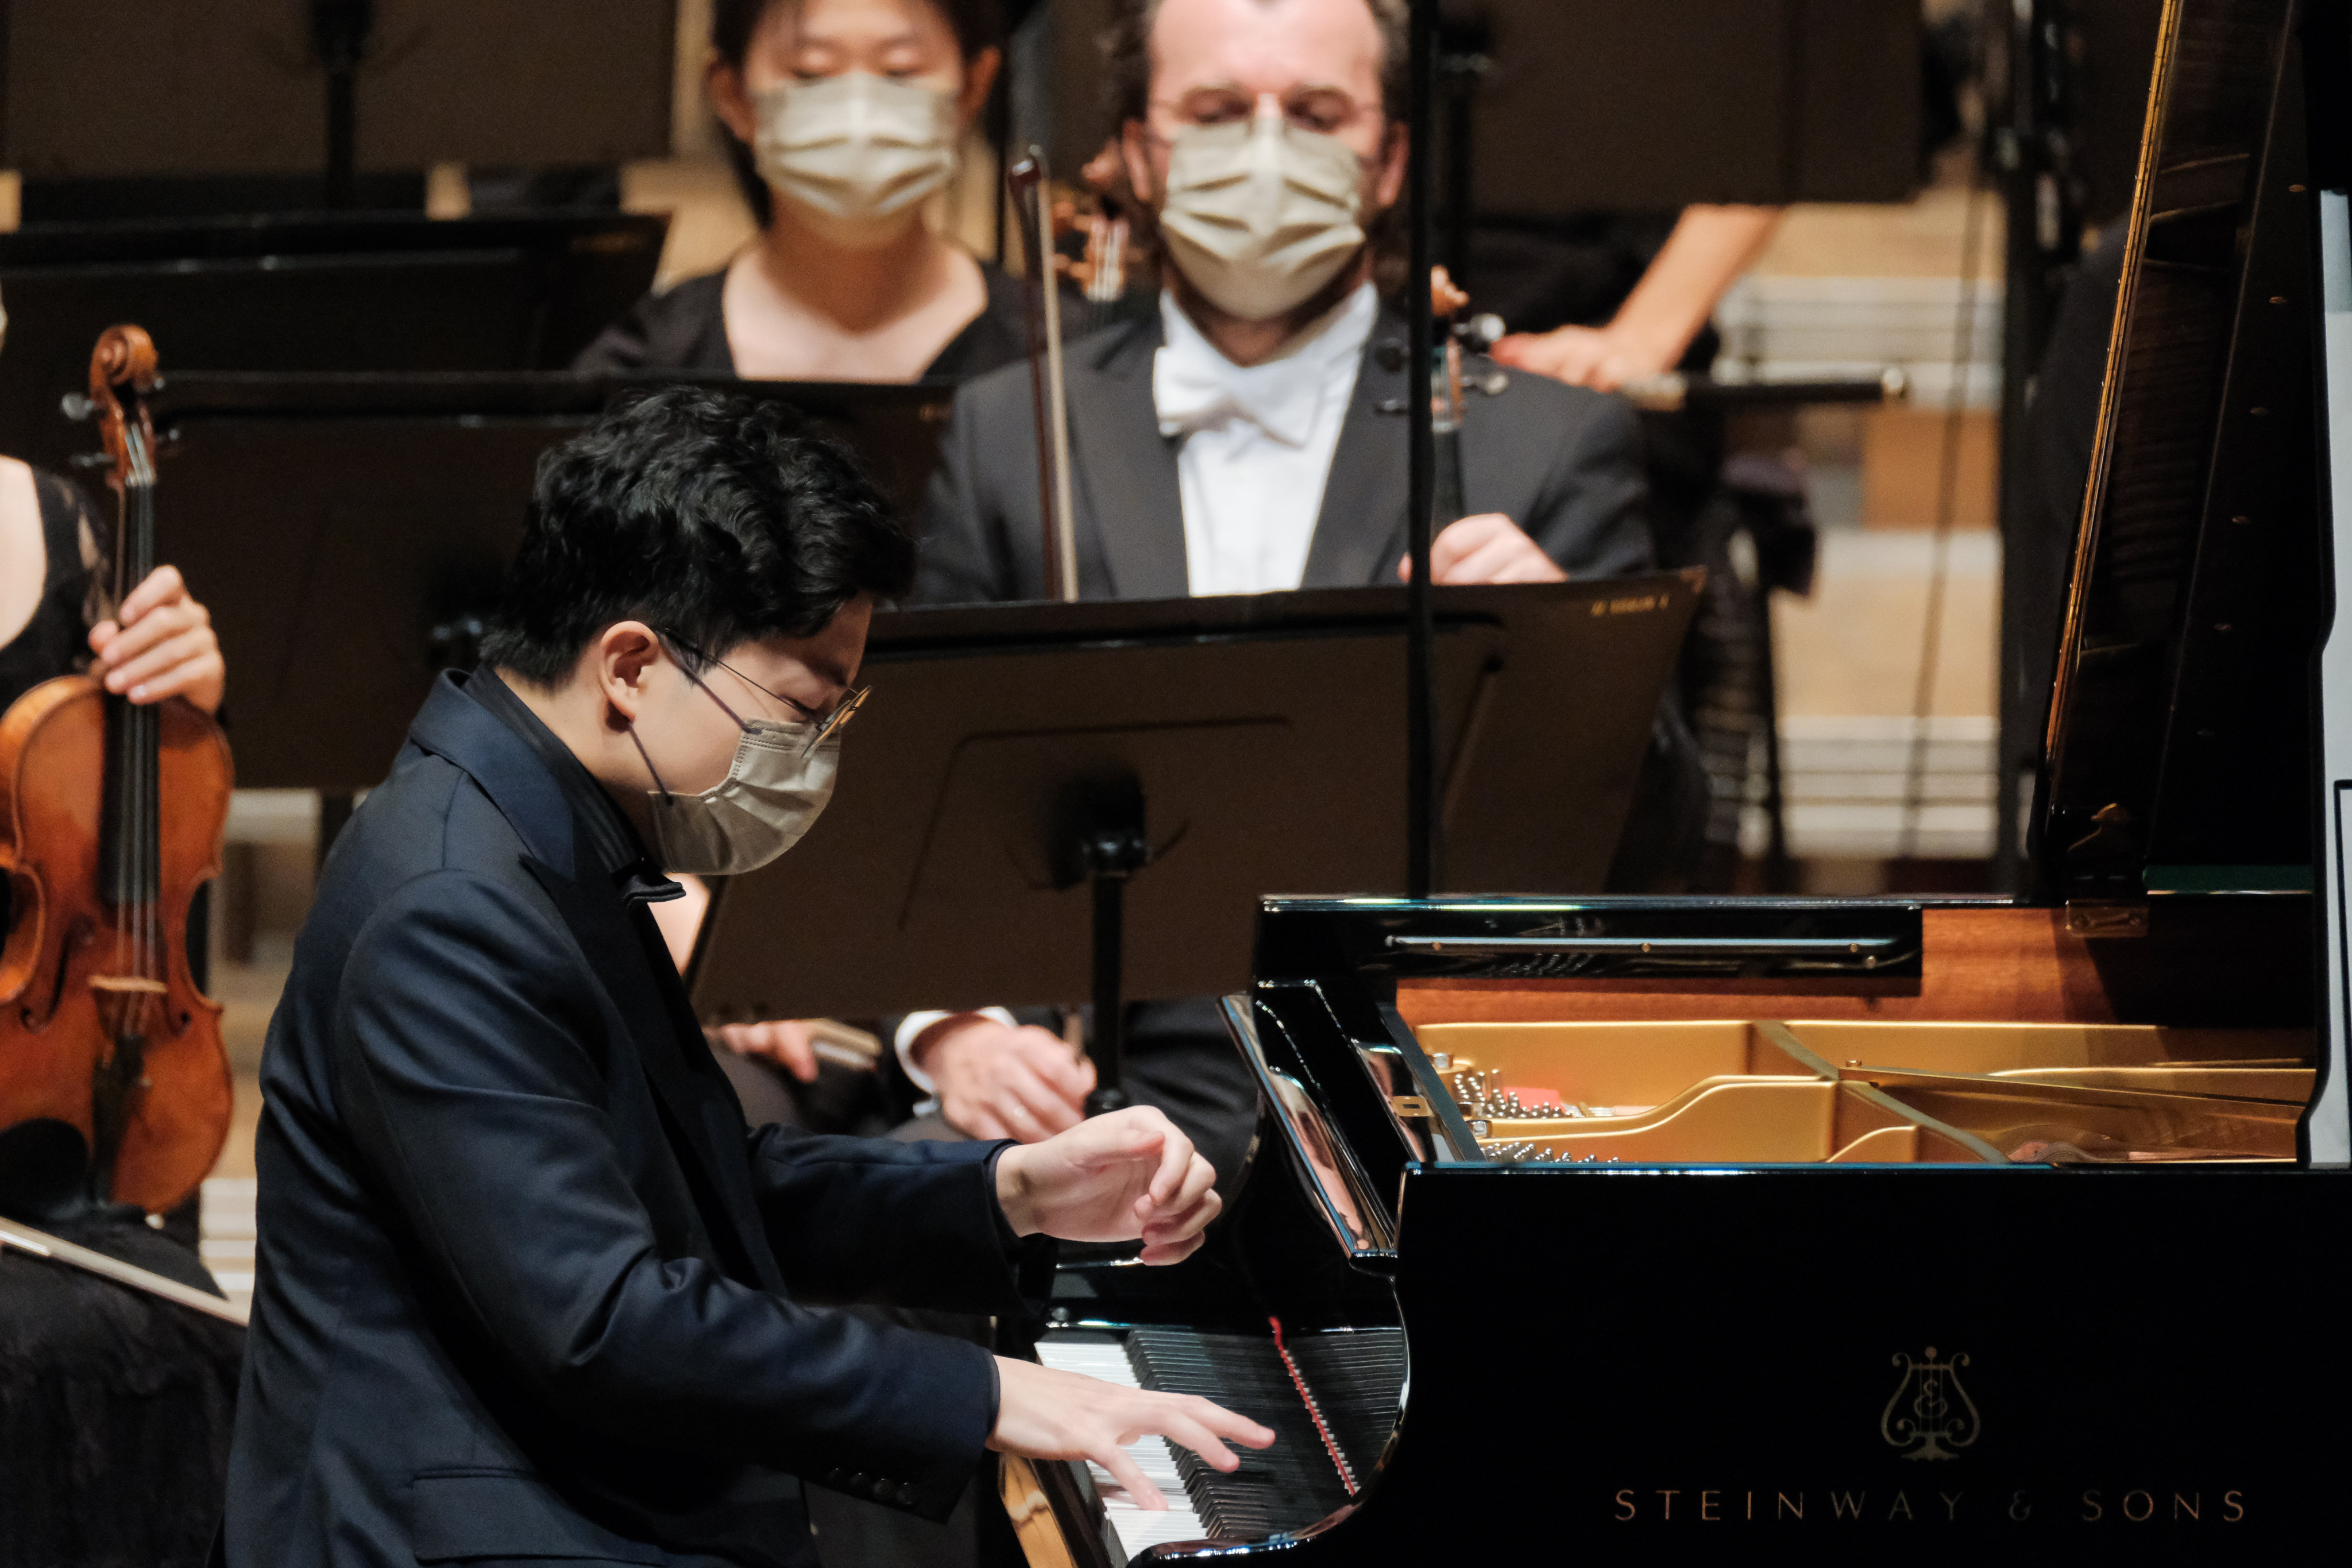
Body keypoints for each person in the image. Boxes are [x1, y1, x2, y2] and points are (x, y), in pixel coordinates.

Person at [223, 387, 1271, 1568]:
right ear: (631, 663)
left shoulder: (547, 823)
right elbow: (607, 1320)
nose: (814, 761)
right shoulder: (452, 904)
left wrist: (1012, 1193)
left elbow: (703, 1184)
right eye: (800, 711)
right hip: (457, 1525)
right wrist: (992, 1395)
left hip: (553, 1477)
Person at [907, 0, 1666, 1175]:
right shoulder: (1013, 430)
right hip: (1105, 1088)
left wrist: (1576, 665)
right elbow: (922, 796)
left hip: (1428, 1092)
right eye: (1214, 112)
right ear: (1137, 151)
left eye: (1315, 115)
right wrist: (953, 1030)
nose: (1265, 153)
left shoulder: (1547, 447)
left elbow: (1664, 841)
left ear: (1392, 156)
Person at [576, 0, 1028, 384]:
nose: (858, 112)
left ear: (974, 86)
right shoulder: (643, 366)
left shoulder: (1056, 358)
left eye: (899, 70)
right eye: (810, 73)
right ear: (732, 94)